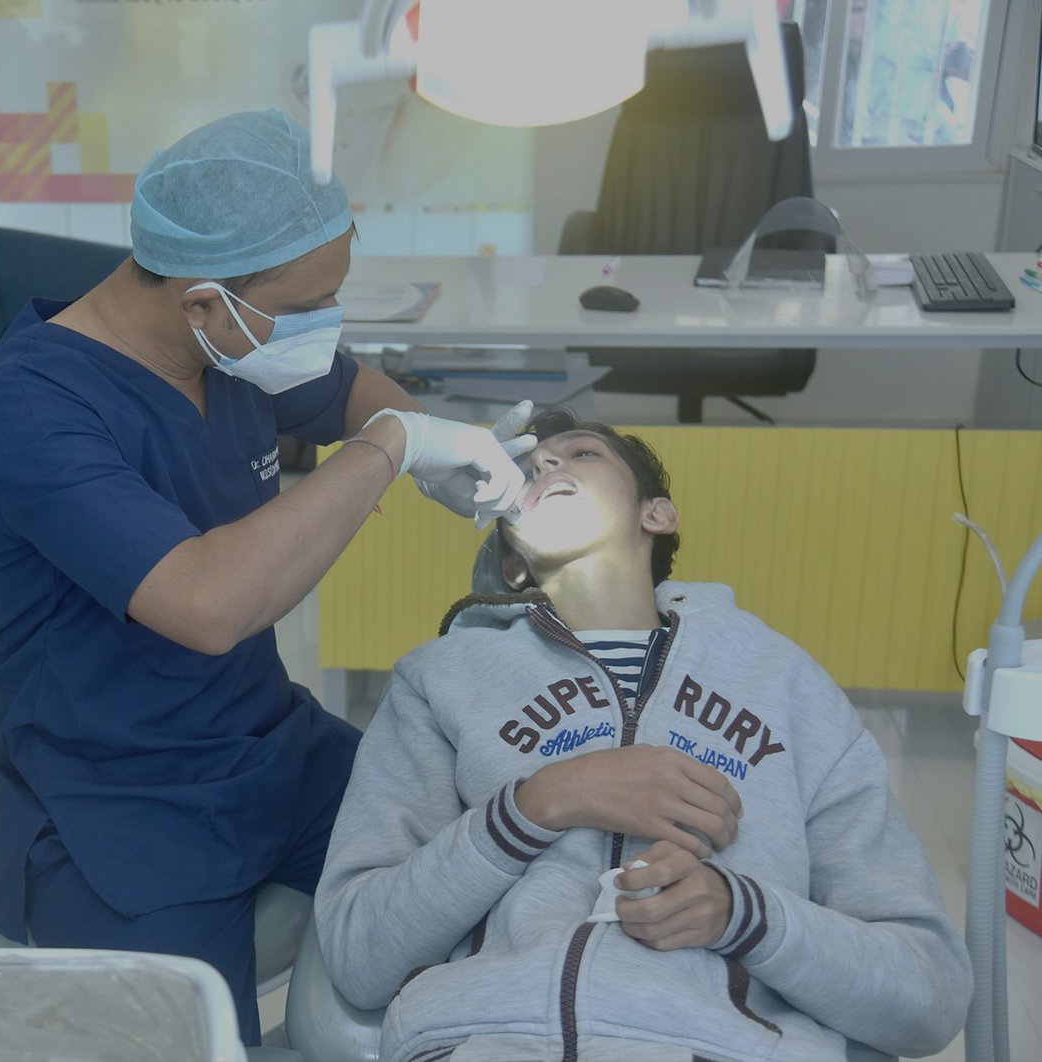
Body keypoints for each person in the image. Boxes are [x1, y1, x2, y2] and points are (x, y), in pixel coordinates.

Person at [0, 109, 534, 1044]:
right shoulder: (36, 407)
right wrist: (395, 447)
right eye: (311, 305)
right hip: (117, 797)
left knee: (494, 868)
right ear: (201, 302)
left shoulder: (231, 345)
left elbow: (343, 389)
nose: (324, 324)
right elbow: (208, 603)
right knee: (194, 1038)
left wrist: (441, 447)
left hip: (268, 744)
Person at [315, 408, 972, 1062]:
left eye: (582, 453)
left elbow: (929, 995)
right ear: (511, 559)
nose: (546, 461)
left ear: (656, 514)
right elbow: (358, 953)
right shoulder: (439, 681)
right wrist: (538, 804)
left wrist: (744, 915)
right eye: (529, 468)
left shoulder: (790, 687)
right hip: (484, 1040)